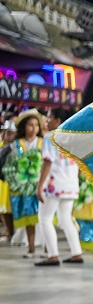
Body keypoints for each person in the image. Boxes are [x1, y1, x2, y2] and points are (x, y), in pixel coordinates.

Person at [34, 108, 83, 266]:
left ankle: (53, 255)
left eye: (49, 118)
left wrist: (40, 186)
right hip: (70, 185)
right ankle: (76, 253)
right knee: (66, 219)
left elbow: (47, 162)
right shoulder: (74, 138)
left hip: (54, 185)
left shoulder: (51, 137)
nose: (46, 121)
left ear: (58, 121)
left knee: (45, 218)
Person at [5, 110, 45, 257]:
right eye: (30, 125)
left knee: (44, 219)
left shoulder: (43, 142)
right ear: (24, 127)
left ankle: (47, 248)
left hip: (41, 186)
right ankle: (31, 248)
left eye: (36, 125)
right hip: (24, 187)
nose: (34, 128)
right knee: (29, 218)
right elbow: (10, 165)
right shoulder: (16, 145)